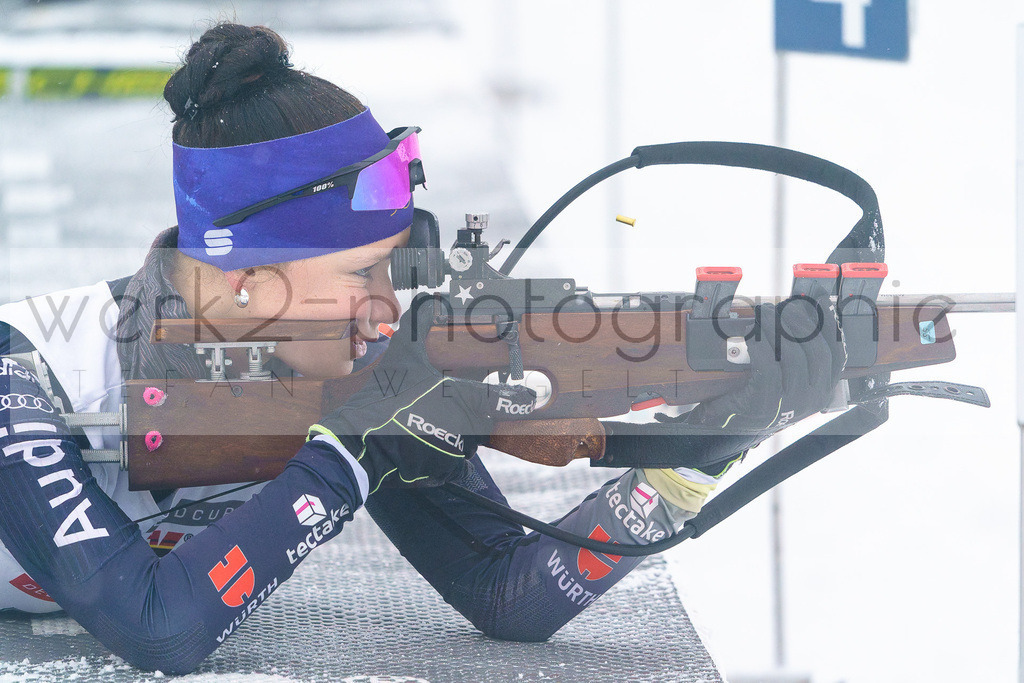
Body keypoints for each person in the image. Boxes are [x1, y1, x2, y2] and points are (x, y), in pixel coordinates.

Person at [0, 24, 844, 674]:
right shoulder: (22, 369)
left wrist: (695, 457)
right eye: (360, 272)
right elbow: (157, 627)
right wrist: (348, 453)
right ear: (249, 276)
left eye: (395, 268)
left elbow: (508, 591)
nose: (386, 310)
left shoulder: (335, 364)